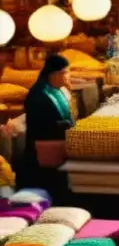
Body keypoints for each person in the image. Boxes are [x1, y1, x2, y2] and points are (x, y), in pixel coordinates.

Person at [20, 54, 74, 193]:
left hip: (56, 144)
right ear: (55, 74)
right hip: (42, 152)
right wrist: (67, 125)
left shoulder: (56, 90)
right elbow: (41, 124)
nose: (68, 76)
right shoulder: (39, 94)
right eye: (66, 72)